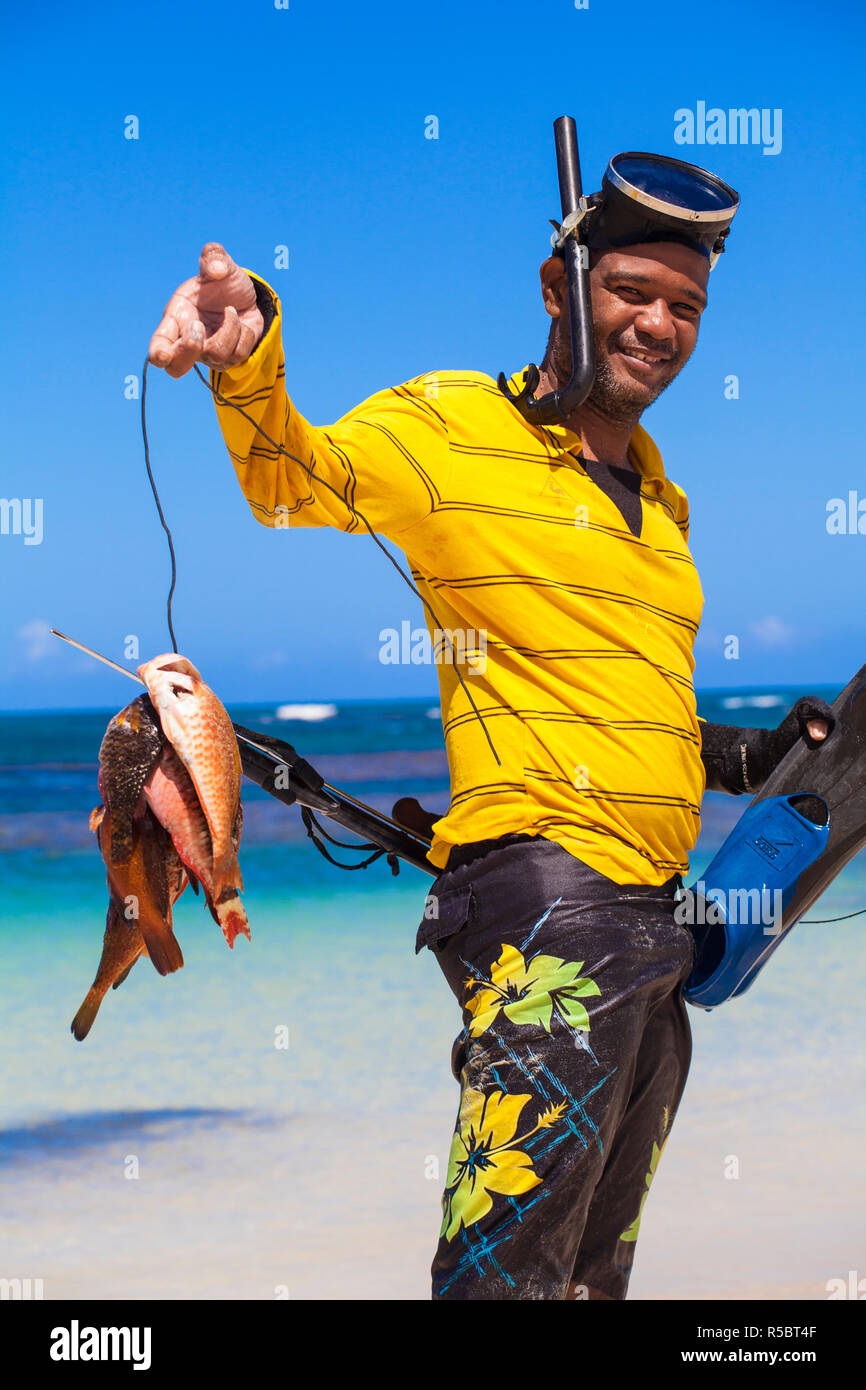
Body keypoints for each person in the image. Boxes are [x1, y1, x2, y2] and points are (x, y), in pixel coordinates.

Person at [149, 184, 831, 1298]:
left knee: (582, 1282)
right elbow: (292, 480)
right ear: (557, 285)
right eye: (629, 290)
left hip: (664, 926)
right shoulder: (456, 427)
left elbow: (624, 697)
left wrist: (749, 759)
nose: (658, 324)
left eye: (685, 305)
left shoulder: (662, 502)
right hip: (549, 913)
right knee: (499, 1281)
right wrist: (247, 349)